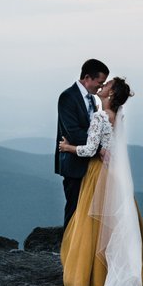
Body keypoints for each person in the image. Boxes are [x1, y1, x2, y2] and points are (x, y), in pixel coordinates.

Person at [58, 76, 143, 286]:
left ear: (111, 94)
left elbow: (90, 149)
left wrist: (68, 147)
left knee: (91, 223)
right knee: (113, 223)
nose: (102, 86)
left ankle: (93, 277)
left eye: (107, 85)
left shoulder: (101, 116)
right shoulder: (117, 116)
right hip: (113, 175)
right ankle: (113, 274)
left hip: (96, 173)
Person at [55, 58, 109, 228]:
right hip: (74, 163)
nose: (100, 87)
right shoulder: (67, 97)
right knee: (73, 208)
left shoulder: (91, 99)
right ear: (87, 78)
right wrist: (98, 148)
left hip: (89, 162)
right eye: (99, 82)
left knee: (87, 212)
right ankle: (68, 243)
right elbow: (73, 132)